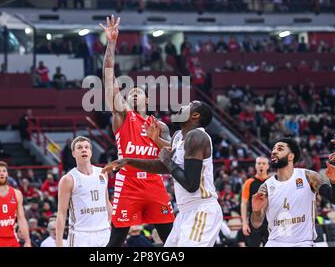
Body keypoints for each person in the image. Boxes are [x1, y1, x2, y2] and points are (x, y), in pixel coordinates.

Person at [104, 100, 223, 247]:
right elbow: (164, 165)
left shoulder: (197, 137)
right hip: (185, 212)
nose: (181, 106)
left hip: (202, 210)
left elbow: (191, 184)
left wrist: (167, 161)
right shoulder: (179, 137)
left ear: (195, 115)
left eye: (189, 105)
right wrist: (129, 161)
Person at [100, 15, 175, 247]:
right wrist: (111, 45)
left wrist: (157, 139)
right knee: (116, 240)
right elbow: (109, 78)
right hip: (128, 183)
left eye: (138, 91)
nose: (133, 93)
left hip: (154, 183)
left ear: (147, 98)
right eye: (130, 91)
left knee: (171, 239)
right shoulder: (123, 116)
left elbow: (173, 153)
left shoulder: (159, 125)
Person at [250, 138, 335, 247]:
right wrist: (256, 211)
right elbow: (256, 224)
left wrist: (334, 182)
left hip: (303, 243)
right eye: (273, 149)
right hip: (275, 243)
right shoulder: (266, 186)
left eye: (280, 149)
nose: (274, 151)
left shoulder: (308, 177)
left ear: (291, 156)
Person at [56, 136, 112, 247]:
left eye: (87, 147)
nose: (84, 150)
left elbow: (106, 202)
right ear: (73, 153)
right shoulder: (68, 179)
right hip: (80, 235)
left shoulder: (103, 173)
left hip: (104, 233)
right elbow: (61, 214)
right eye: (79, 147)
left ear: (91, 152)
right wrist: (59, 243)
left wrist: (114, 225)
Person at [240, 157, 270, 247]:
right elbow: (244, 203)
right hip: (254, 222)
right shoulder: (249, 182)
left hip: (270, 222)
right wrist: (244, 223)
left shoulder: (273, 181)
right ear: (255, 166)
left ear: (268, 166)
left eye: (264, 163)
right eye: (259, 163)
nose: (261, 165)